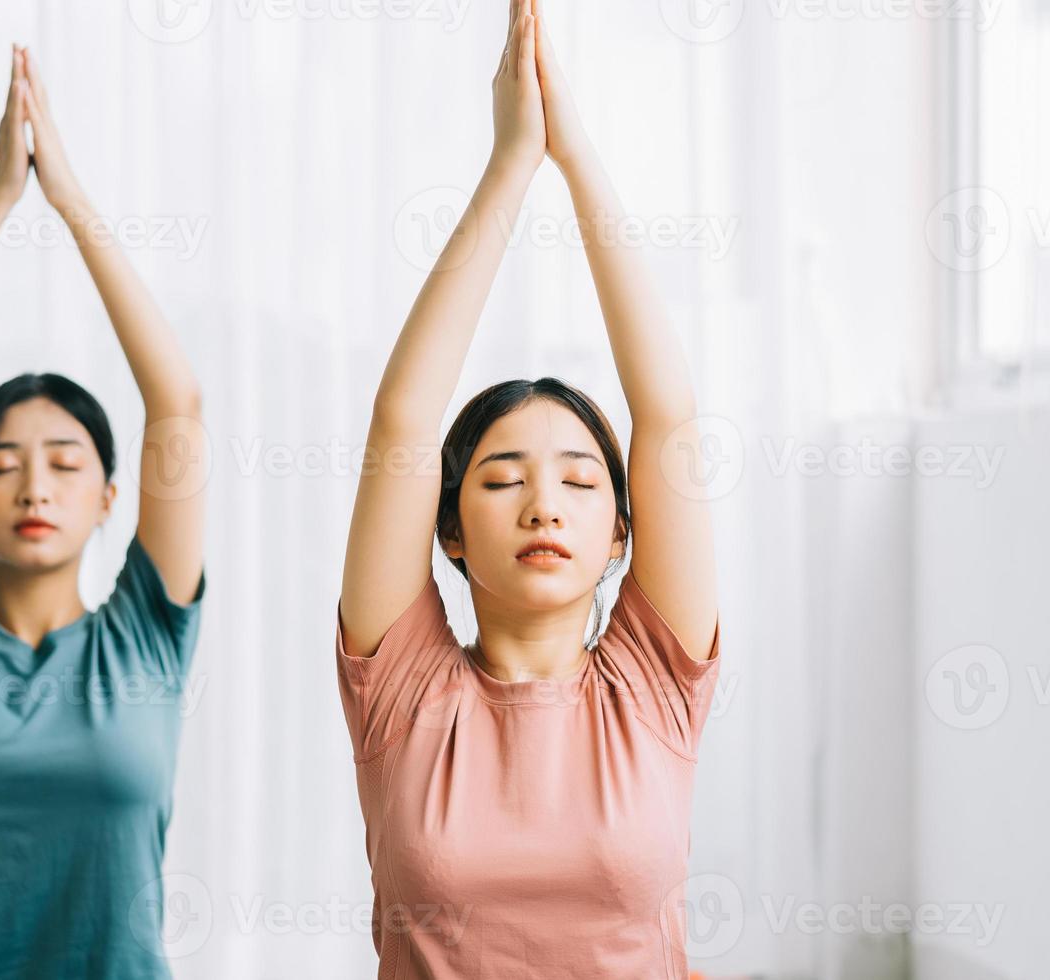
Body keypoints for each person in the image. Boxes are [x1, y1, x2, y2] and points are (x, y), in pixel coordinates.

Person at [335, 0, 722, 974]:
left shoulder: (654, 684)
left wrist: (577, 157)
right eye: (503, 479)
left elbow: (668, 416)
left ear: (623, 533)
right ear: (451, 530)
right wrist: (510, 167)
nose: (544, 504)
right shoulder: (401, 686)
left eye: (582, 481)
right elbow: (402, 425)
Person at [0, 44, 207, 979]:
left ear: (108, 496)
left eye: (65, 463)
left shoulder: (149, 634)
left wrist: (71, 203)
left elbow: (176, 403)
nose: (34, 487)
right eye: (4, 467)